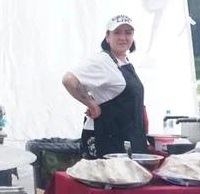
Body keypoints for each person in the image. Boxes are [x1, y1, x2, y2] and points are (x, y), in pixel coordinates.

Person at [61, 14, 148, 158]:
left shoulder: (124, 61)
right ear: (107, 37)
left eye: (128, 32)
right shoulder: (102, 61)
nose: (123, 37)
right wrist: (91, 103)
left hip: (129, 139)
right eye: (117, 32)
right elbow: (69, 79)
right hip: (109, 143)